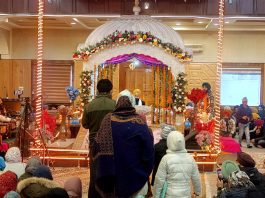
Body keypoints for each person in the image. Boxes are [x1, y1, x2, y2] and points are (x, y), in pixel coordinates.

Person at [92, 92, 154, 197]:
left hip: (112, 171)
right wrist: (144, 170)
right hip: (135, 173)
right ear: (131, 105)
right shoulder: (139, 122)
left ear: (116, 105)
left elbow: (97, 144)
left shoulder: (108, 120)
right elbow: (148, 151)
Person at [81, 79, 116, 198]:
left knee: (94, 171)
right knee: (110, 170)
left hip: (94, 142)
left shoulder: (89, 106)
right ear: (110, 90)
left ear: (97, 89)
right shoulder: (114, 105)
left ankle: (94, 195)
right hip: (111, 142)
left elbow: (85, 124)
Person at [154, 131, 201, 198]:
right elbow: (196, 178)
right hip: (186, 194)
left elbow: (159, 180)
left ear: (169, 142)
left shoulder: (166, 159)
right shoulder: (190, 158)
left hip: (169, 194)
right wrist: (197, 192)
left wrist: (156, 195)